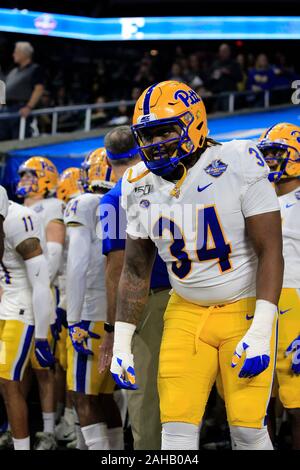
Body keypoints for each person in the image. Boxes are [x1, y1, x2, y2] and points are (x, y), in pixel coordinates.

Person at [110, 80, 284, 450]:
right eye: (147, 134)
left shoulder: (238, 160)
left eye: (165, 131)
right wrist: (122, 340)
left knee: (248, 430)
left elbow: (271, 250)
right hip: (185, 310)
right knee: (174, 434)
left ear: (195, 124)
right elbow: (136, 268)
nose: (154, 143)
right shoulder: (136, 183)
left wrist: (261, 330)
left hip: (244, 305)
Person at [98, 125, 171, 450]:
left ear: (108, 158)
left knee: (143, 396)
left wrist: (113, 328)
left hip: (145, 303)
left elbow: (118, 269)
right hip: (184, 294)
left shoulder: (116, 198)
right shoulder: (163, 182)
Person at [65, 148, 123, 450]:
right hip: (117, 313)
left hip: (89, 312)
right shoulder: (122, 198)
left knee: (82, 396)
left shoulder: (84, 202)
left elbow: (76, 263)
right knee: (105, 395)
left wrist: (72, 319)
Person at [16, 156, 65, 450]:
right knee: (15, 367)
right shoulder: (15, 209)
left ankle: (47, 429)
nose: (24, 180)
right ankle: (14, 424)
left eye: (30, 174)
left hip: (41, 291)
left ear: (46, 178)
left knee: (43, 364)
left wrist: (35, 281)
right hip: (16, 295)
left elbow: (54, 256)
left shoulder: (51, 206)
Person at [257, 123, 300, 450]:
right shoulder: (259, 200)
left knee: (297, 402)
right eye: (266, 153)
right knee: (257, 401)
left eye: (276, 153)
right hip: (258, 304)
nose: (270, 160)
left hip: (294, 303)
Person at [0, 200, 54, 450]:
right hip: (6, 306)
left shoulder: (18, 220)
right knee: (6, 383)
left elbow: (41, 281)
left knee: (8, 382)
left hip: (23, 309)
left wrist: (42, 336)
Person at [0, 42, 45, 140]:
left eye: (16, 52)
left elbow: (39, 89)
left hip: (20, 109)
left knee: (17, 139)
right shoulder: (13, 71)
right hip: (6, 109)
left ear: (24, 54)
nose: (13, 55)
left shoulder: (35, 69)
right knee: (3, 140)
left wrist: (29, 107)